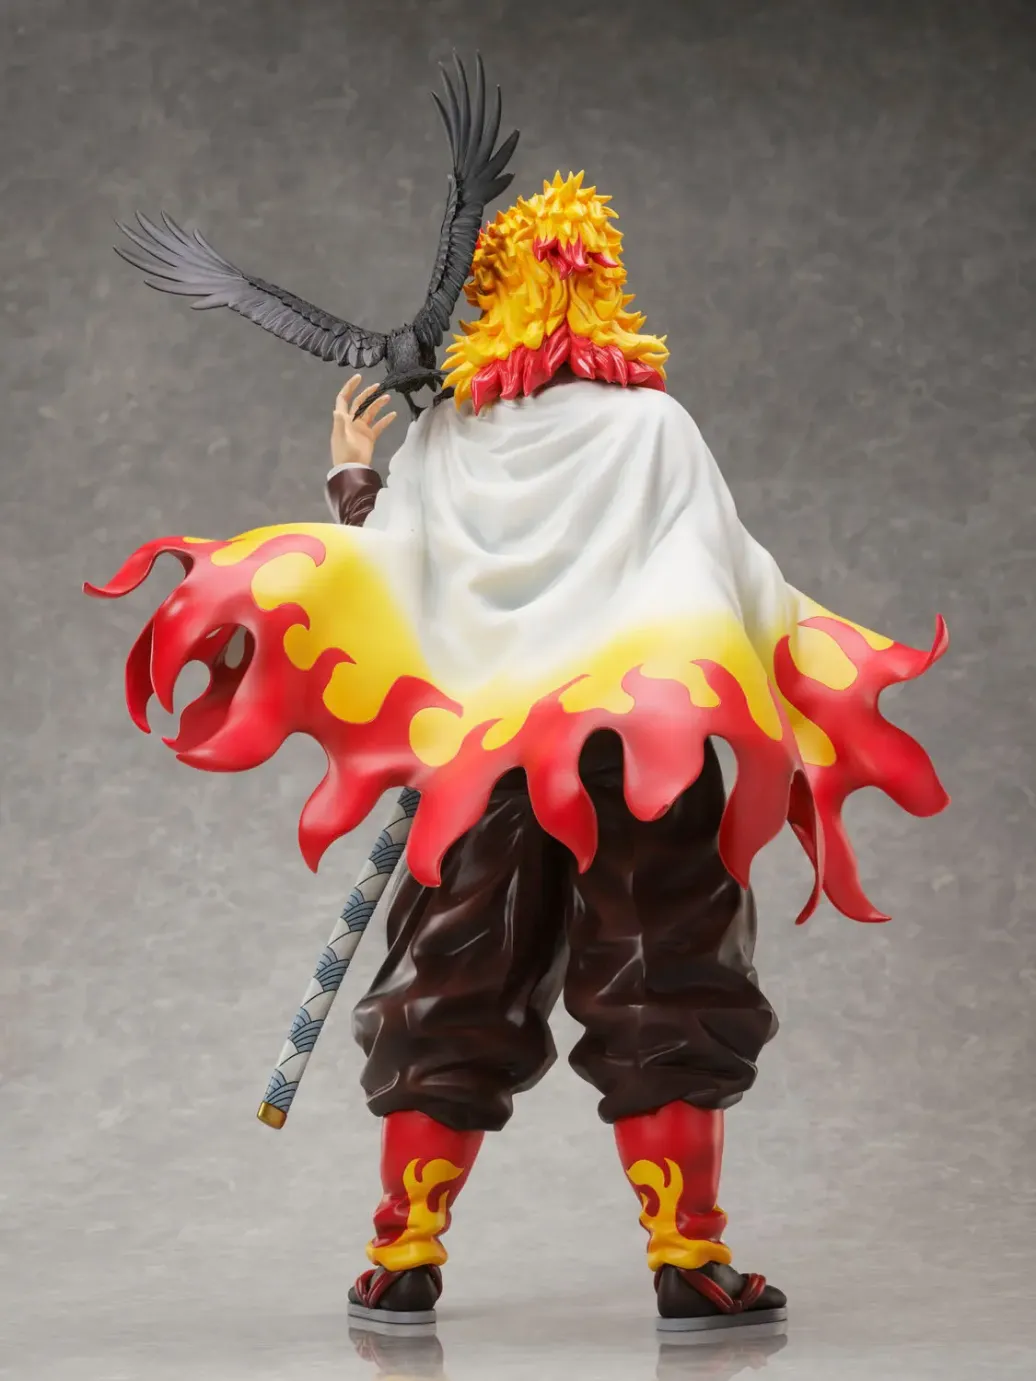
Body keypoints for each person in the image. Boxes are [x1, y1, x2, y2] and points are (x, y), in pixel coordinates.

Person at [89, 172, 948, 1335]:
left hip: (488, 763)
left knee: (453, 979)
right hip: (647, 755)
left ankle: (402, 1254)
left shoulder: (448, 436)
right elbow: (729, 585)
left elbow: (395, 579)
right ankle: (689, 1256)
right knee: (665, 978)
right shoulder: (655, 428)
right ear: (601, 285)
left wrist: (353, 477)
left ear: (490, 293)